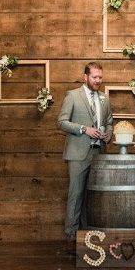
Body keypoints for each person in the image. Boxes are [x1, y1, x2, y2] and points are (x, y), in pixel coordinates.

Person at [57, 61, 113, 252]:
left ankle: (88, 239)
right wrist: (84, 129)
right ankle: (71, 239)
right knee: (76, 195)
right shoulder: (72, 96)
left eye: (100, 77)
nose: (98, 80)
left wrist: (109, 134)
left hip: (99, 154)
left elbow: (109, 122)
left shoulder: (105, 98)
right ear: (85, 77)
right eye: (95, 77)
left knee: (93, 197)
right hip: (78, 154)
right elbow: (62, 122)